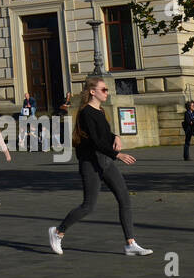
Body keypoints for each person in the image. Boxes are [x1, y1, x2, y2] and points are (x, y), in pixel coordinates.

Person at [49, 76, 152, 256]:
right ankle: (58, 232)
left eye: (106, 89)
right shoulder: (86, 113)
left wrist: (116, 137)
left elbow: (104, 135)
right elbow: (96, 141)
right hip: (90, 163)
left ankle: (130, 243)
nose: (107, 92)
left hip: (105, 161)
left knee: (124, 199)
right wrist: (118, 154)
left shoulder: (101, 111)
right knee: (88, 205)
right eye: (103, 89)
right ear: (92, 91)